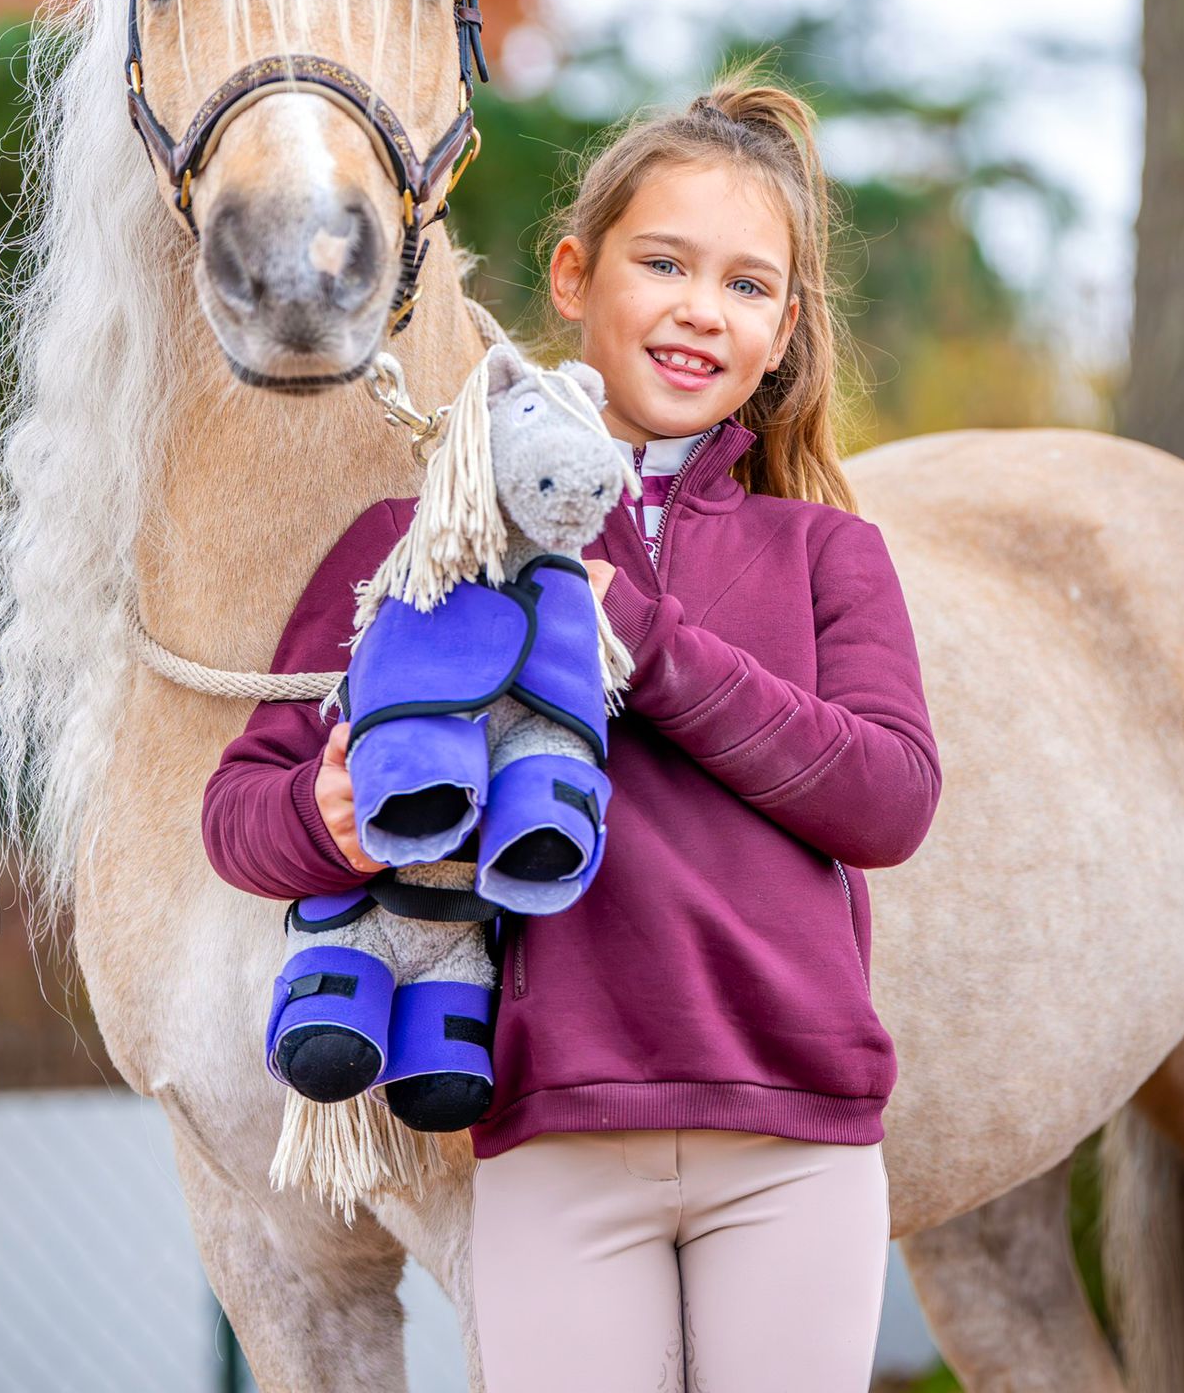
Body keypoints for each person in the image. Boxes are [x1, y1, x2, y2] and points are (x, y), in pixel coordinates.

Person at [201, 69, 942, 1392]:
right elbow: (239, 809)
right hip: (548, 1133)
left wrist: (647, 647)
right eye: (662, 262)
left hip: (793, 1142)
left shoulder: (827, 554)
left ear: (782, 334)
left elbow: (884, 802)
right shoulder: (424, 538)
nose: (699, 310)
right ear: (570, 276)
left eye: (747, 286)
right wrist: (315, 820)